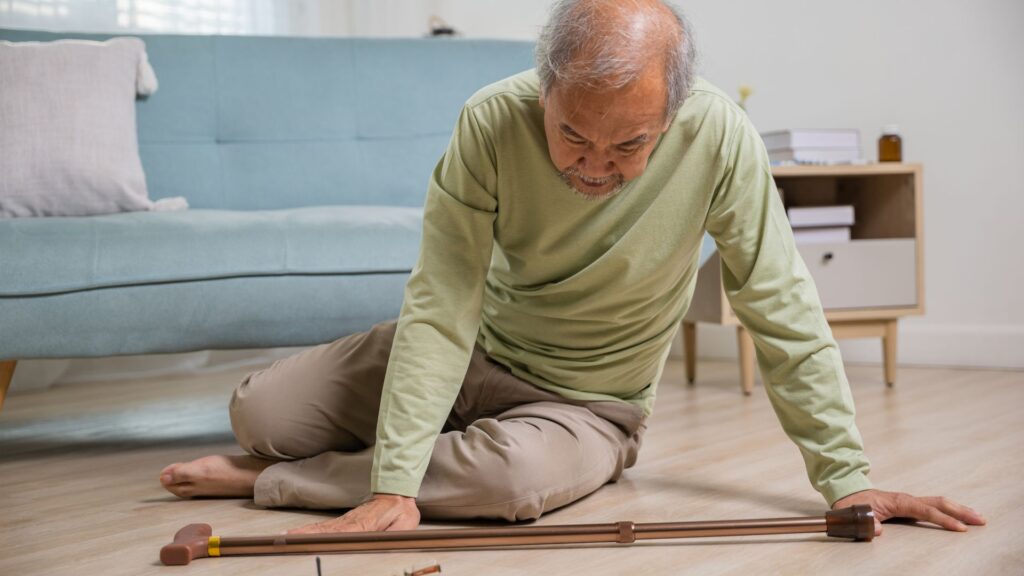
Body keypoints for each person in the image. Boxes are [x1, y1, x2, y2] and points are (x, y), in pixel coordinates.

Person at [160, 0, 984, 537]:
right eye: (570, 136)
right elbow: (443, 303)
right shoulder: (491, 120)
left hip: (589, 407)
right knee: (259, 410)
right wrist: (397, 476)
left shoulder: (720, 137)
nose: (594, 167)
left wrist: (846, 477)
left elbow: (782, 309)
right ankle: (328, 459)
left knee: (513, 482)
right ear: (545, 89)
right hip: (475, 351)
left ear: (673, 111)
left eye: (628, 145)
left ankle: (283, 482)